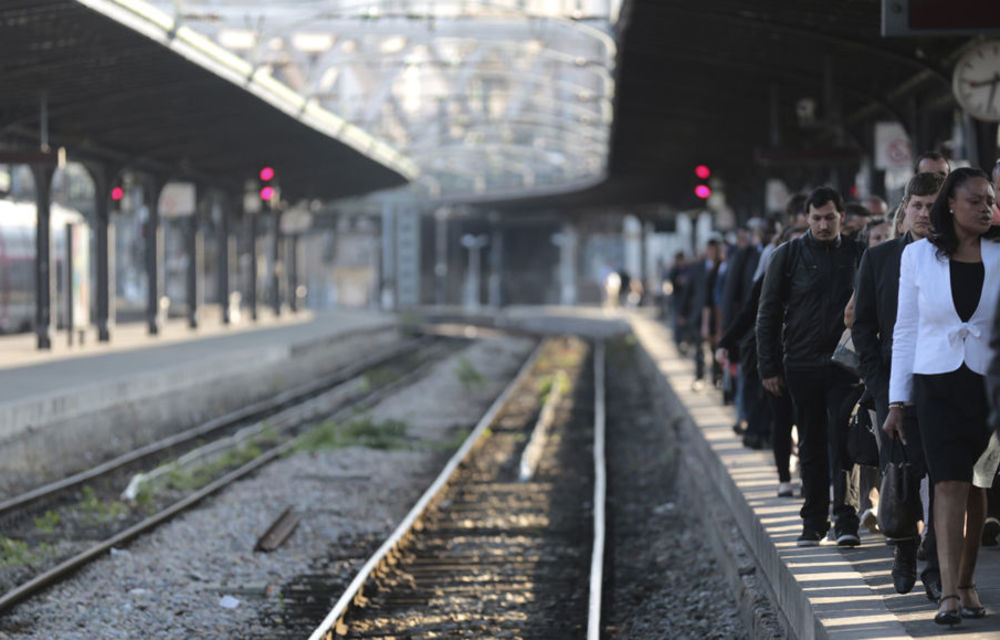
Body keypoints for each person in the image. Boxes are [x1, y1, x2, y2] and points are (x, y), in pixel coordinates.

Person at [885, 167, 999, 625]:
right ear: (950, 204)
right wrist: (897, 400)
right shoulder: (917, 257)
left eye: (990, 200)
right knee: (948, 481)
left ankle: (968, 583)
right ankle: (948, 594)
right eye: (976, 200)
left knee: (978, 486)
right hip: (937, 383)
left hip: (989, 387)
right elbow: (905, 329)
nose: (986, 207)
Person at [852, 171, 945, 600]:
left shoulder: (958, 255)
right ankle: (904, 551)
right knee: (901, 476)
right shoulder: (880, 259)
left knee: (941, 480)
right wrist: (879, 384)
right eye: (918, 205)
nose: (925, 214)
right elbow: (864, 328)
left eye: (933, 205)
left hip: (944, 383)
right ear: (904, 209)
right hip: (891, 383)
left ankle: (935, 562)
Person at [757, 187, 864, 547]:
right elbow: (768, 313)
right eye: (816, 218)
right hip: (801, 363)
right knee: (812, 441)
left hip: (846, 365)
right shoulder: (787, 256)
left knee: (843, 439)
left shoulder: (858, 254)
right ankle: (814, 521)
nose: (822, 224)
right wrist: (768, 365)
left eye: (829, 218)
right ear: (806, 218)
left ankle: (845, 519)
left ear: (842, 217)